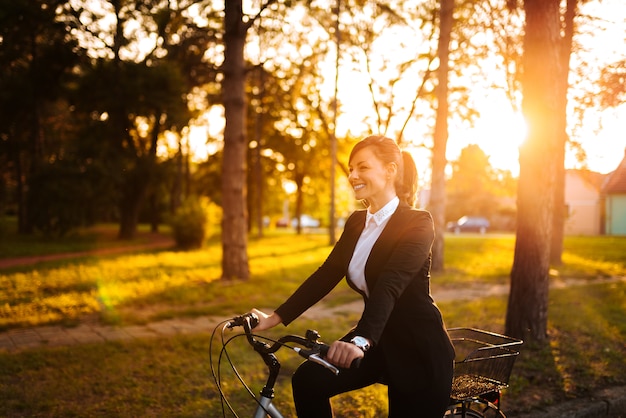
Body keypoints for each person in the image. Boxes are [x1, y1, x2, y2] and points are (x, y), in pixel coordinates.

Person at [251, 135, 455, 417]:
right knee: (309, 380)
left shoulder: (417, 222)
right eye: (350, 168)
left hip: (418, 349)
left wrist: (360, 341)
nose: (352, 175)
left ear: (390, 170)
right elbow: (326, 274)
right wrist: (274, 318)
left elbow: (390, 285)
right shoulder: (357, 221)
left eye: (363, 167)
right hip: (378, 340)